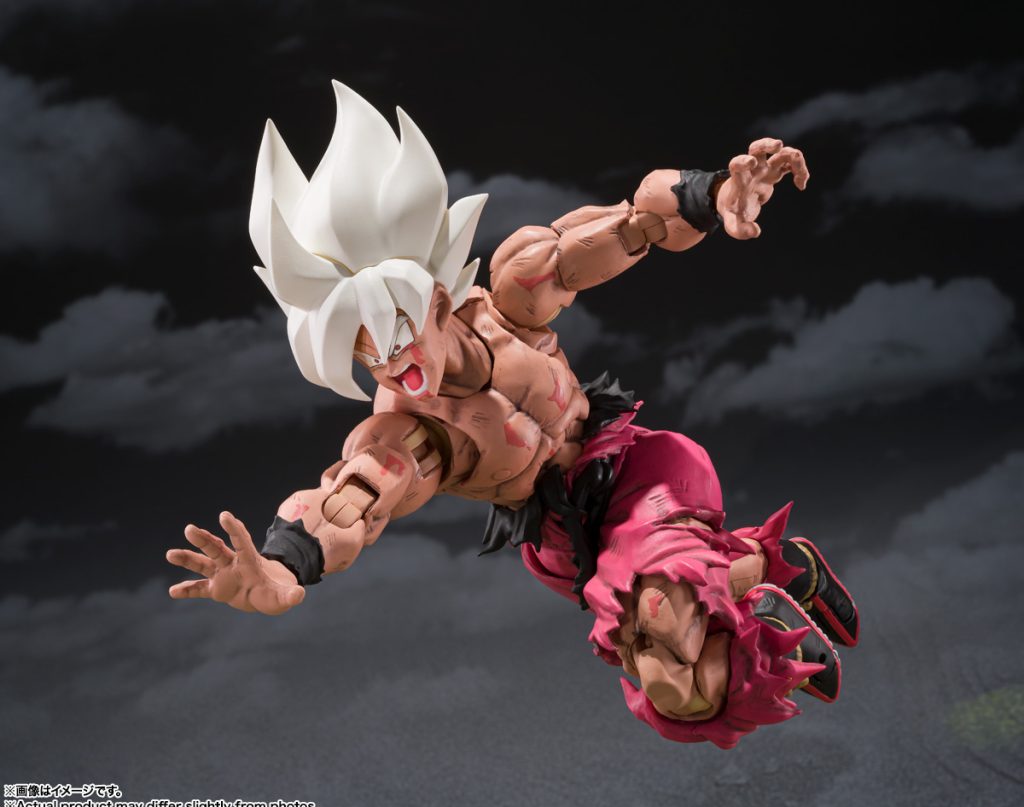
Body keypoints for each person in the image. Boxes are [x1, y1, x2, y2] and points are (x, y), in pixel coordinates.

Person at [166, 82, 859, 748]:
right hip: (562, 542)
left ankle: (758, 621)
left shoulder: (514, 300)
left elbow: (636, 223)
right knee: (673, 688)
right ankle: (765, 567)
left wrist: (712, 193)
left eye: (393, 326)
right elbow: (349, 500)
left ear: (436, 301)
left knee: (661, 608)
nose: (387, 358)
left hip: (636, 471)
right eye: (359, 345)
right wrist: (286, 566)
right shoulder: (409, 433)